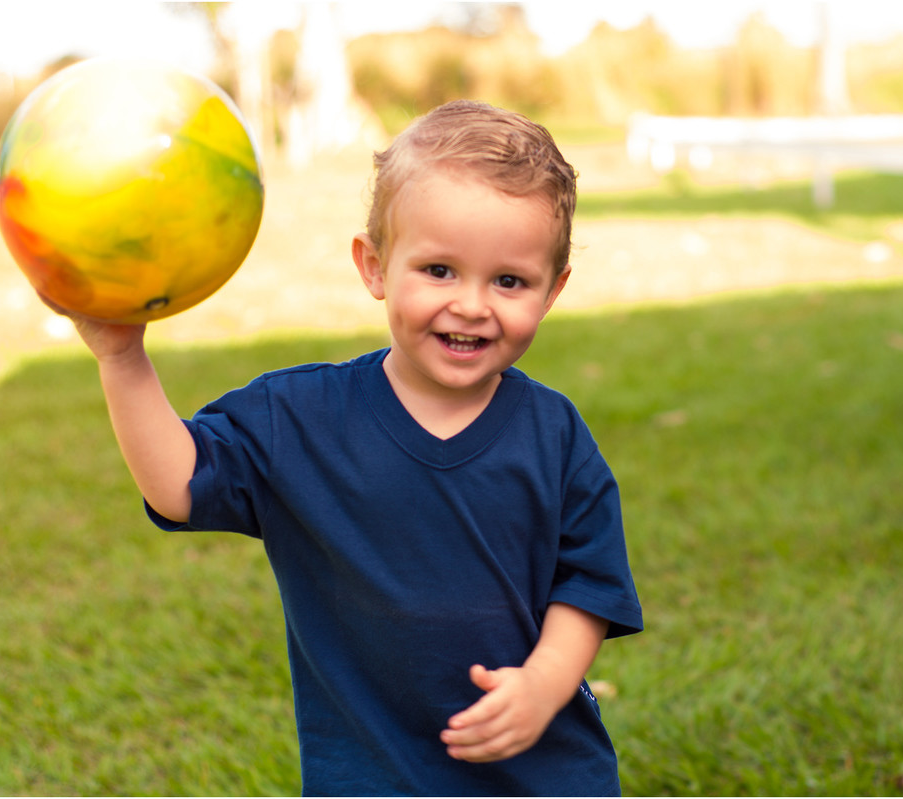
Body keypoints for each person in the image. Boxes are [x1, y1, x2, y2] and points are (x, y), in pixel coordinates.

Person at [57, 99, 642, 796]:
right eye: (439, 270)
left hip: (539, 774)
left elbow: (588, 583)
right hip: (372, 773)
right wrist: (122, 359)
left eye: (509, 281)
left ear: (553, 290)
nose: (473, 304)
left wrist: (544, 684)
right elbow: (178, 484)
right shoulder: (298, 417)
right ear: (374, 267)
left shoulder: (554, 434)